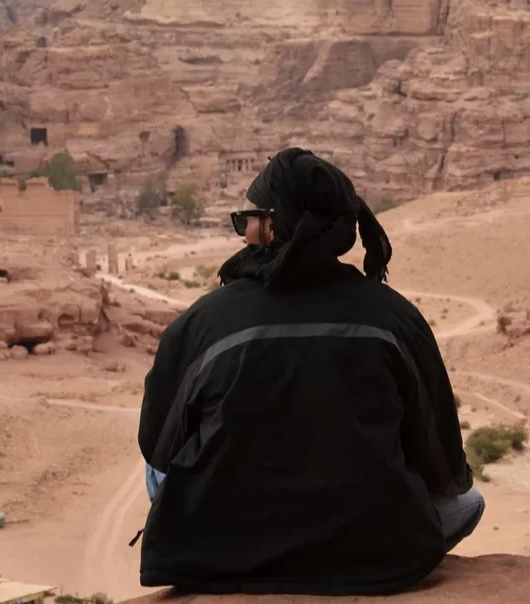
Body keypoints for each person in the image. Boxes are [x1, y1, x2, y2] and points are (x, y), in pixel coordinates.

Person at [136, 148, 482, 595]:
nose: (242, 234)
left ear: (275, 226)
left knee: (154, 469)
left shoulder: (202, 323)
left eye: (248, 220)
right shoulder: (394, 317)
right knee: (469, 500)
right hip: (373, 554)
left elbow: (158, 448)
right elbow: (446, 467)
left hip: (220, 554)